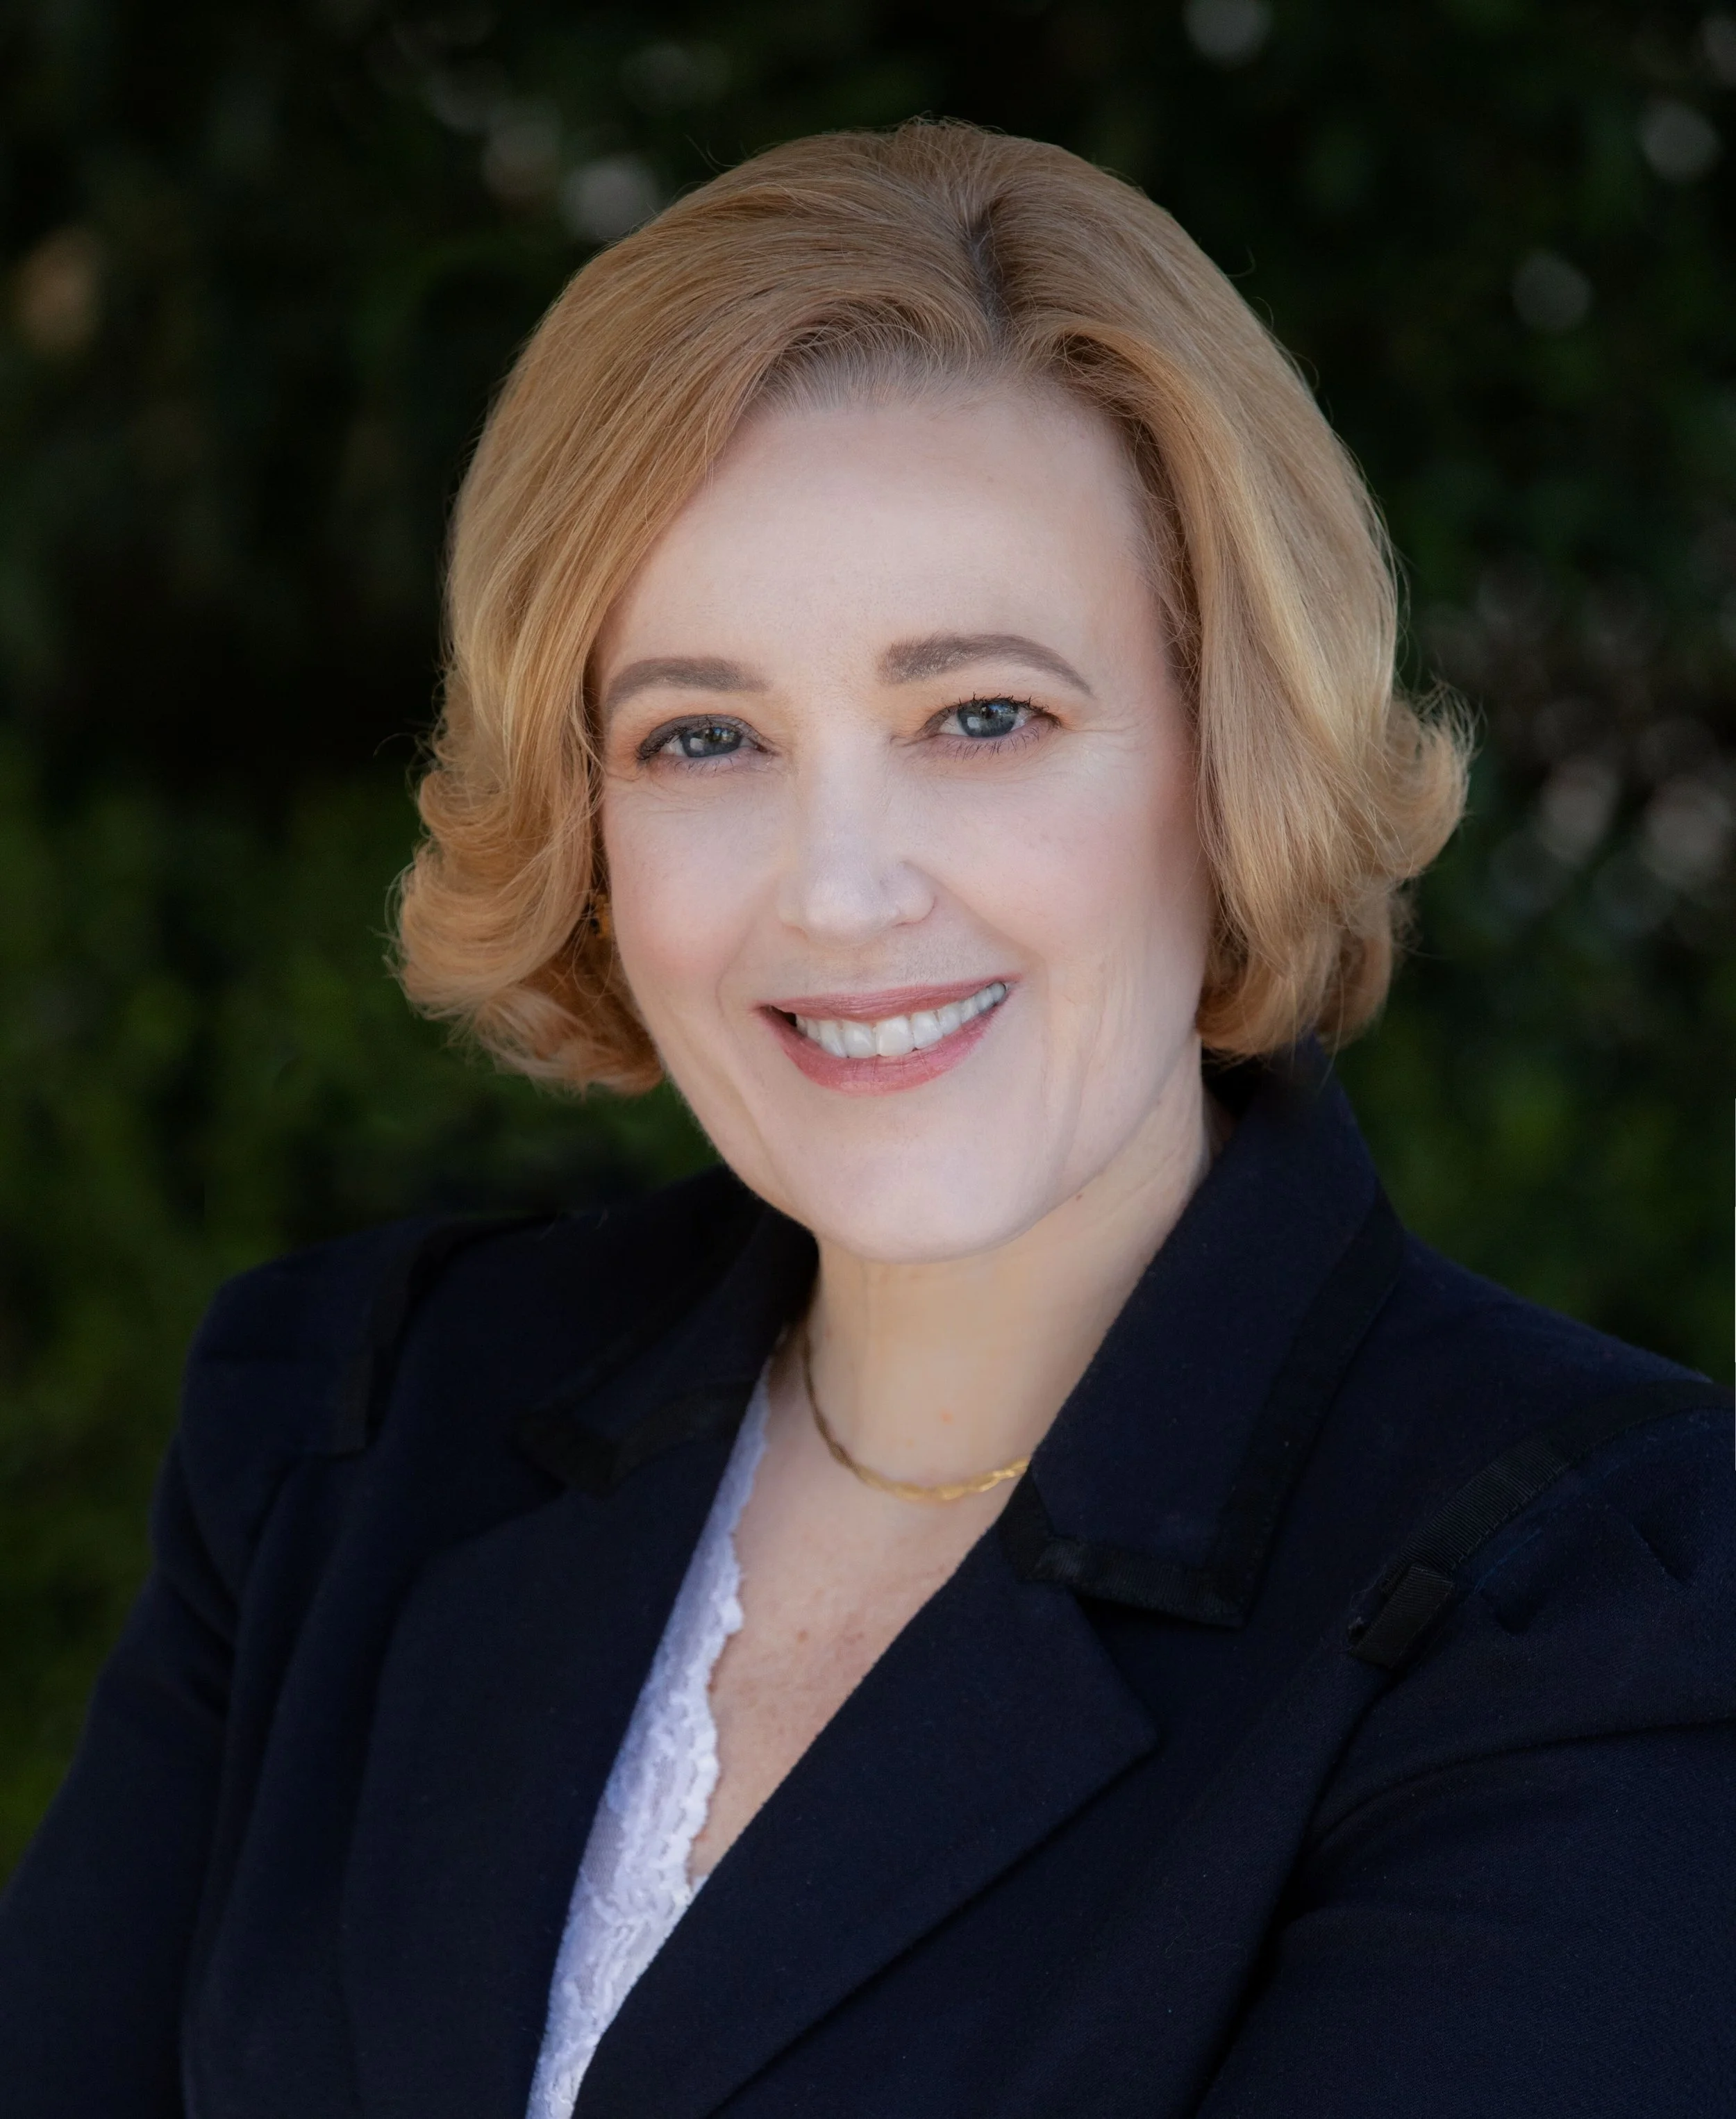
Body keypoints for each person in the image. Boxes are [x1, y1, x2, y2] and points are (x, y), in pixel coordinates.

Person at [0, 121, 1729, 2119]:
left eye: (981, 716)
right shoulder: (351, 1430)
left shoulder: (1588, 1609)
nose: (836, 892)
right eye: (701, 736)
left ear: (1228, 755)